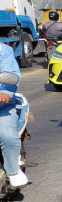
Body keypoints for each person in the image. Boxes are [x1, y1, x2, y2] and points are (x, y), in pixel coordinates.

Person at [0, 43, 25, 187]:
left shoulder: (3, 50)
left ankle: (13, 171)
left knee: (6, 134)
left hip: (2, 107)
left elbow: (11, 74)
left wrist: (5, 93)